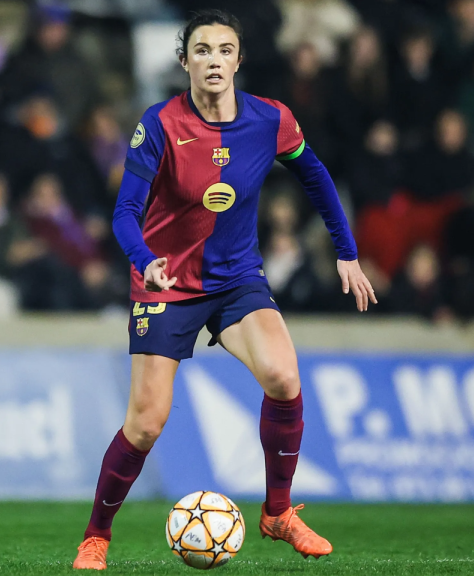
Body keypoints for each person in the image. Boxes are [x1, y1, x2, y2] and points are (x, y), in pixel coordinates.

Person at [72, 9, 375, 570]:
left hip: (236, 279)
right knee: (146, 422)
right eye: (203, 50)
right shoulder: (160, 124)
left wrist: (346, 251)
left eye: (225, 50)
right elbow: (124, 212)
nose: (214, 60)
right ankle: (97, 536)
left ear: (239, 60)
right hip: (167, 283)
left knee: (284, 376)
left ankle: (278, 513)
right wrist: (145, 260)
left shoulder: (270, 120)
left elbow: (316, 175)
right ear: (185, 61)